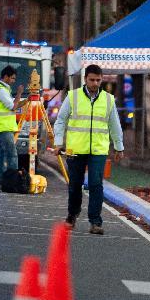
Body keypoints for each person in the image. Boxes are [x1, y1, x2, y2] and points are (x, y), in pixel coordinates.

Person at [53, 64, 125, 235]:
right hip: (76, 148)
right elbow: (61, 120)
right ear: (85, 79)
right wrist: (58, 142)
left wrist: (118, 147)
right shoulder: (73, 97)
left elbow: (115, 125)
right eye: (92, 80)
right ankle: (72, 215)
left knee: (95, 184)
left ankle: (95, 221)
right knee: (75, 185)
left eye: (98, 80)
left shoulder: (108, 99)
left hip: (98, 150)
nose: (95, 83)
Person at [0, 65, 25, 186]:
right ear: (6, 77)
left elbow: (14, 105)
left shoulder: (3, 90)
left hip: (3, 127)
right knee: (12, 154)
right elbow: (13, 107)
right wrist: (20, 93)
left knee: (2, 154)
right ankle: (13, 180)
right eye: (12, 78)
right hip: (3, 127)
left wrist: (27, 100)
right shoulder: (2, 90)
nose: (14, 81)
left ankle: (0, 179)